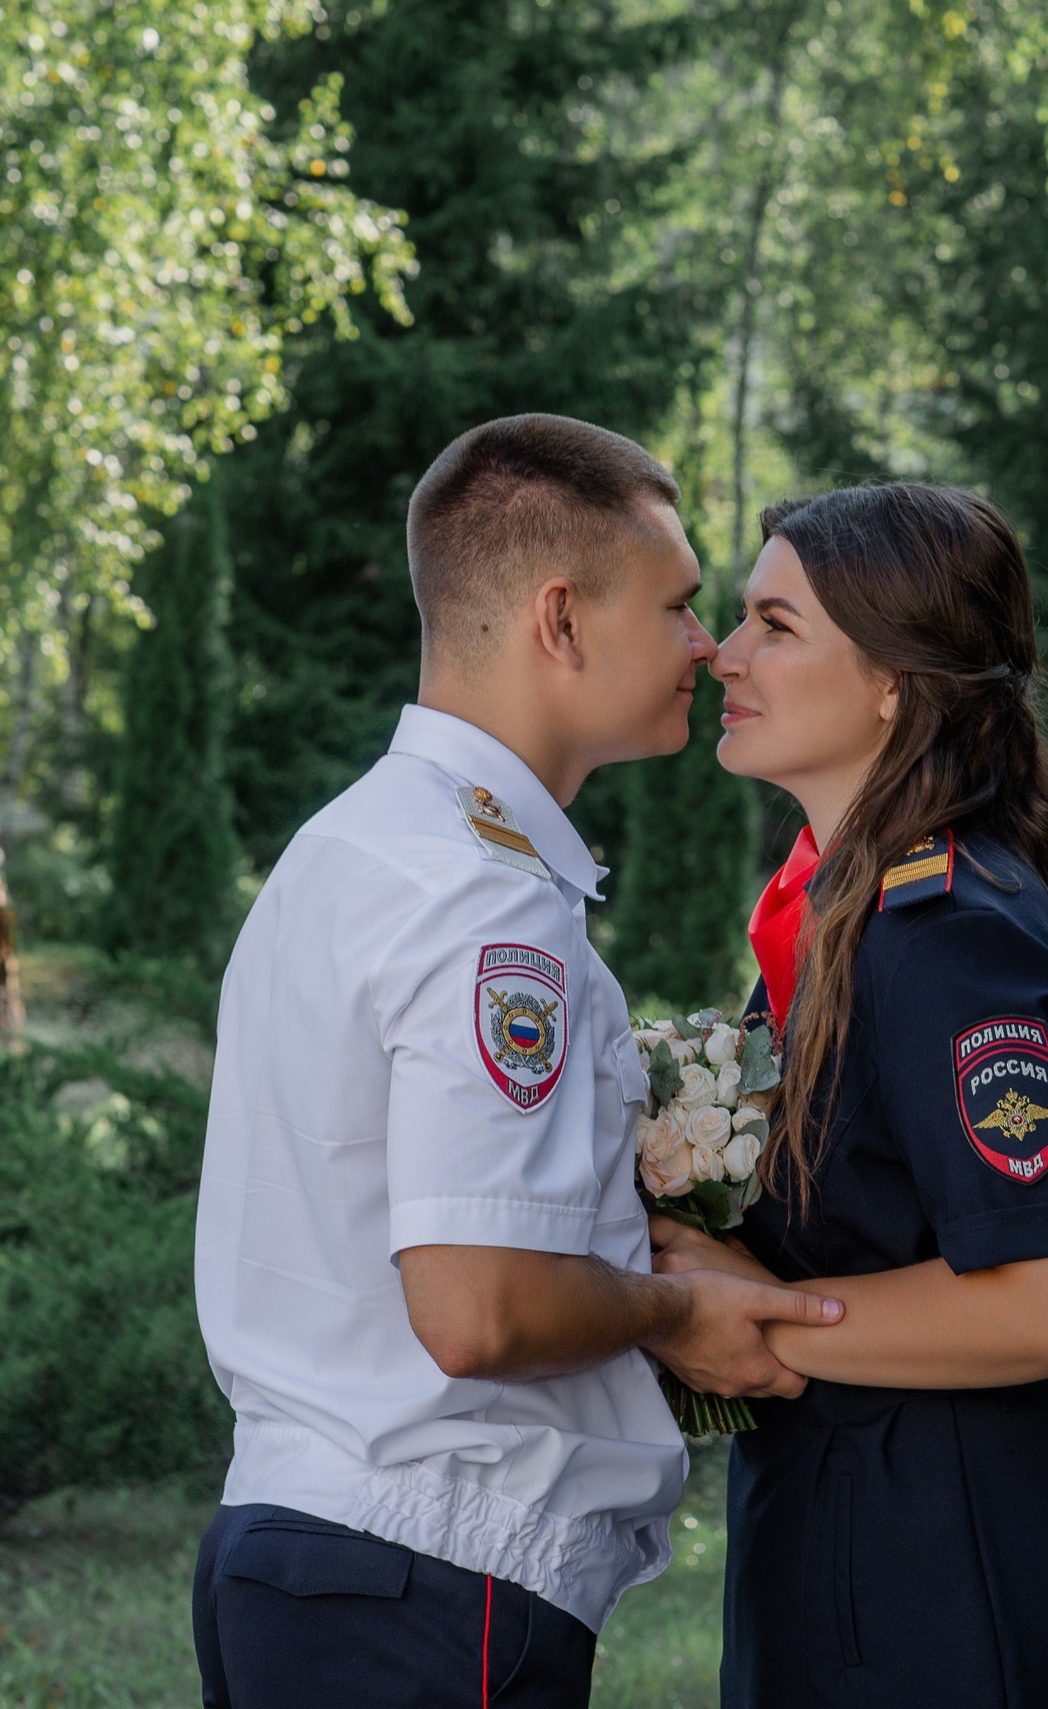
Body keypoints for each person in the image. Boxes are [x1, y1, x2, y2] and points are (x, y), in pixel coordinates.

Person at [190, 413, 846, 1709]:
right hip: (425, 1584)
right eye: (678, 606)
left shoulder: (349, 845)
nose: (707, 649)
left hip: (306, 1556)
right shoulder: (486, 903)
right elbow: (479, 1306)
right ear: (562, 619)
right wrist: (679, 1312)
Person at [652, 482, 1048, 1708]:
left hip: (952, 1578)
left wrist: (763, 1315)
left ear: (892, 680)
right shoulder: (839, 919)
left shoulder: (944, 929)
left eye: (775, 625)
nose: (723, 654)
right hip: (856, 1537)